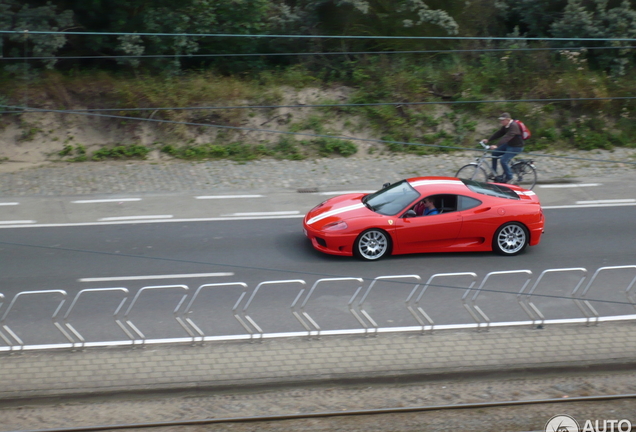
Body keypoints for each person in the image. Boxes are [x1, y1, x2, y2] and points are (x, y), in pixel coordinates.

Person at [483, 112, 524, 183]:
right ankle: (494, 172)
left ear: (508, 120)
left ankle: (510, 178)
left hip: (516, 147)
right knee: (495, 153)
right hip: (509, 145)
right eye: (500, 120)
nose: (501, 121)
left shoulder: (514, 125)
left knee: (503, 160)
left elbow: (507, 137)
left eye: (502, 120)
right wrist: (488, 140)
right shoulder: (506, 126)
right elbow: (499, 133)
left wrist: (497, 145)